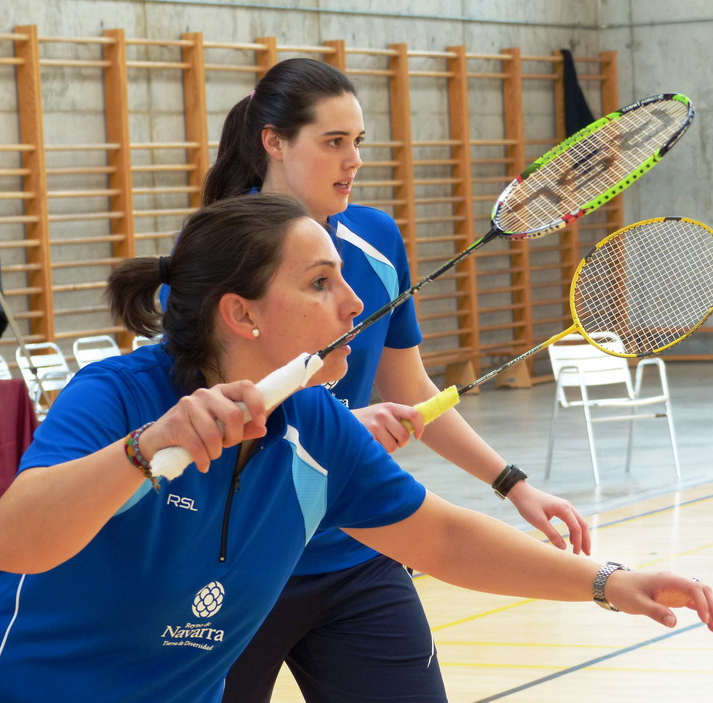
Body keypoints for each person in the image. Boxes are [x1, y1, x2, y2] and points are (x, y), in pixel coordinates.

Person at [0, 193, 713, 703]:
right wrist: (145, 448)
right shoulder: (118, 395)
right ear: (243, 314)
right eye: (323, 282)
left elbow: (443, 537)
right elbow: (15, 541)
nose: (356, 303)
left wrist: (605, 581)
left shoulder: (317, 426)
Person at [198, 58, 583, 701]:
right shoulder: (212, 257)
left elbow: (408, 385)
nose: (353, 160)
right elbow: (202, 415)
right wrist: (340, 429)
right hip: (237, 565)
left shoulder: (375, 239)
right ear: (273, 141)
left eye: (358, 143)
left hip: (357, 549)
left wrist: (511, 484)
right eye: (333, 142)